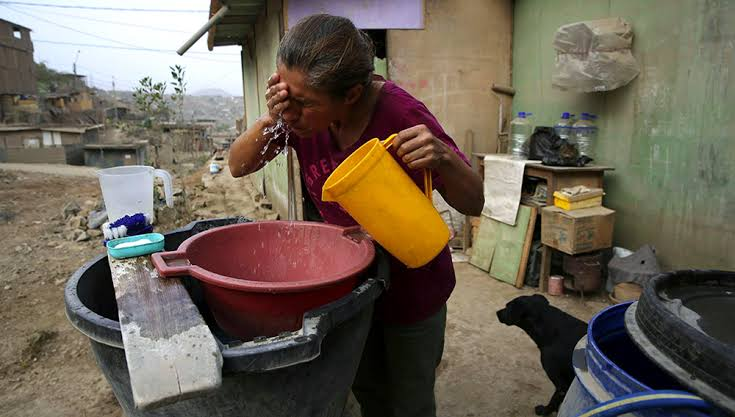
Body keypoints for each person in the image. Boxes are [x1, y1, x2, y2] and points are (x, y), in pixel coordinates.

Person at [229, 14, 484, 417]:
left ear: (350, 94)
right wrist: (273, 117)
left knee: (410, 398)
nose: (292, 111)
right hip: (350, 287)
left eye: (304, 102)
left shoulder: (400, 116)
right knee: (366, 388)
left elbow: (475, 203)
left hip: (413, 283)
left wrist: (445, 159)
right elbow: (237, 166)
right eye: (285, 93)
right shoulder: (296, 116)